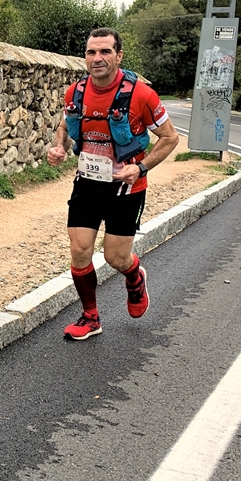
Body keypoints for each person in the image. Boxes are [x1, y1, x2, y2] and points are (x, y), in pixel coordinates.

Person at [47, 27, 179, 340]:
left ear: (119, 56)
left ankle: (134, 278)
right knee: (80, 250)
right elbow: (65, 126)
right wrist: (59, 147)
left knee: (115, 258)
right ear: (85, 57)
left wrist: (141, 168)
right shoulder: (75, 92)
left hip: (126, 188)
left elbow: (170, 137)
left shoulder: (141, 96)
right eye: (91, 52)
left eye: (105, 51)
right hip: (87, 183)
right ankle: (90, 317)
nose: (97, 58)